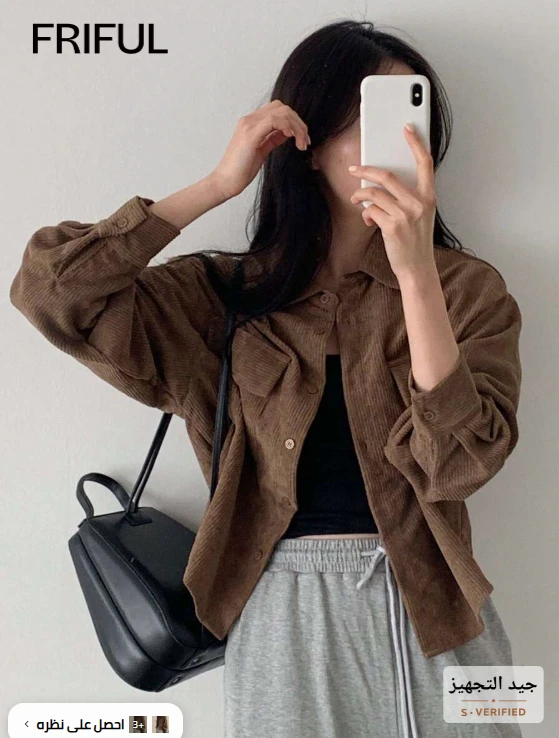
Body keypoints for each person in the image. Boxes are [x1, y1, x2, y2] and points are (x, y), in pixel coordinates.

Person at [10, 18, 524, 738]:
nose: (399, 143)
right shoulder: (225, 296)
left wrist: (414, 274)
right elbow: (51, 293)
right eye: (371, 121)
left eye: (412, 119)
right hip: (279, 614)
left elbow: (460, 467)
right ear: (306, 142)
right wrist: (216, 185)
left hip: (445, 610)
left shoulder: (468, 289)